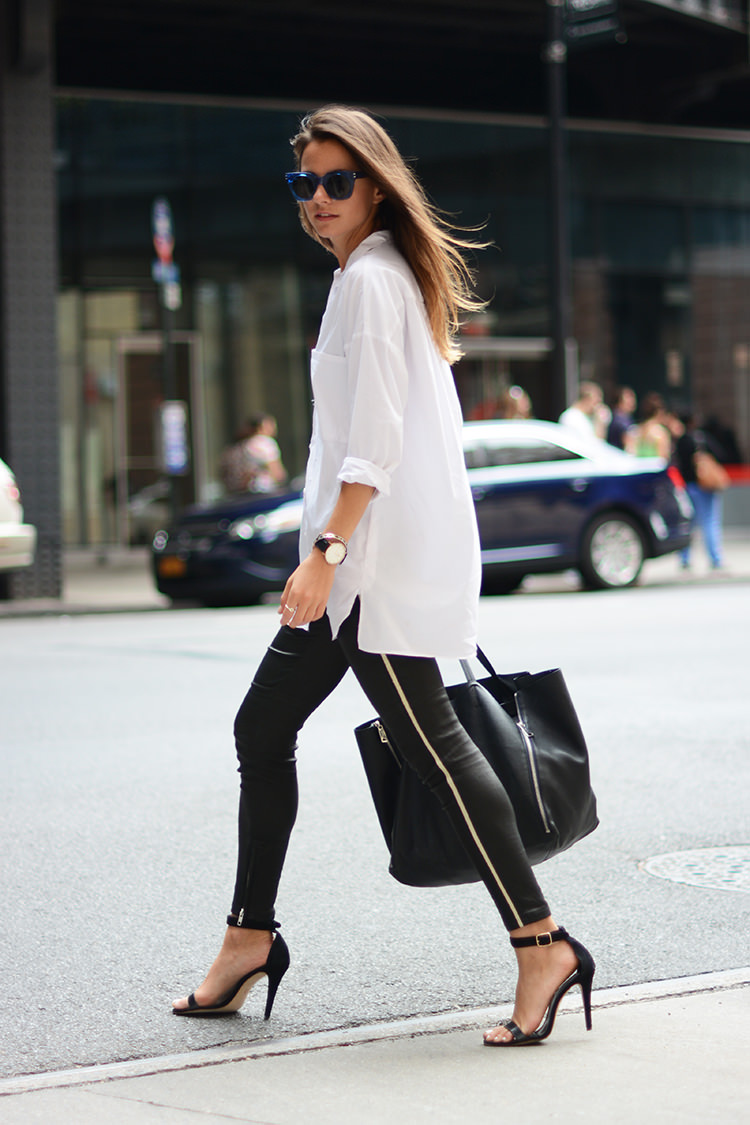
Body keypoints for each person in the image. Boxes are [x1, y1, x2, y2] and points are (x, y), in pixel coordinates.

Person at [172, 105, 594, 1047]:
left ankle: (542, 941)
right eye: (303, 184)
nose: (317, 200)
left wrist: (325, 554)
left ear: (375, 183)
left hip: (368, 567)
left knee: (434, 744)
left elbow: (376, 442)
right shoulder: (376, 273)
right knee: (270, 724)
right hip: (363, 563)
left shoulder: (370, 280)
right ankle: (250, 934)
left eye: (336, 182)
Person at [675, 411, 727, 571]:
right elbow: (721, 454)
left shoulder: (681, 441)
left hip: (688, 486)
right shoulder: (702, 438)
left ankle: (684, 559)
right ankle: (715, 559)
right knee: (710, 522)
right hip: (705, 486)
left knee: (688, 524)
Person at [219, 414, 287, 494]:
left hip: (236, 496)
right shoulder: (263, 443)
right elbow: (278, 474)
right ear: (260, 428)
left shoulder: (233, 449)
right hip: (262, 494)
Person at [630, 392, 673, 460]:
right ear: (659, 412)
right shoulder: (660, 432)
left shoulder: (635, 431)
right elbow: (663, 457)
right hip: (654, 469)